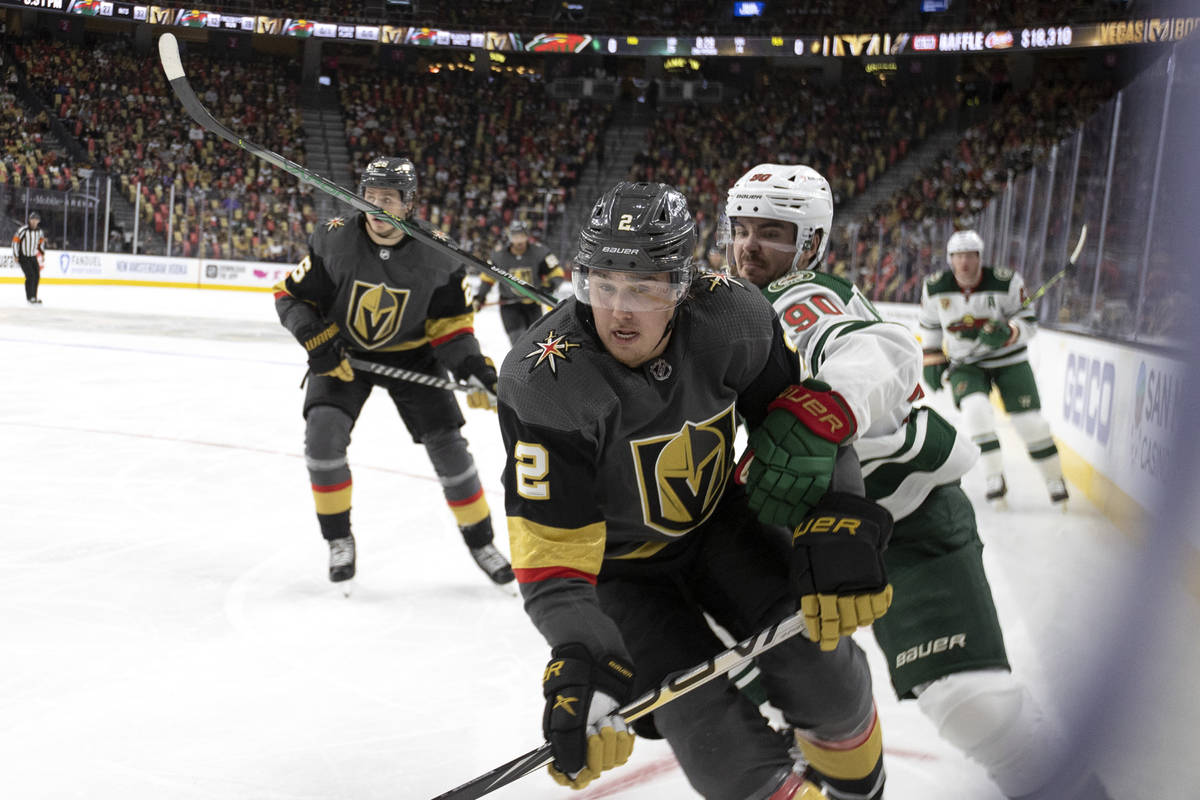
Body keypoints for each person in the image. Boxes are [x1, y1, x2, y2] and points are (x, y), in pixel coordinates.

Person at [498, 181, 894, 800]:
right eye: (604, 286)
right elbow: (553, 561)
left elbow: (801, 427)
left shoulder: (734, 318)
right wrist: (584, 658)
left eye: (646, 287)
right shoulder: (545, 383)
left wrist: (836, 513)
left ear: (683, 285)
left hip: (718, 527)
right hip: (620, 575)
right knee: (715, 744)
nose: (620, 312)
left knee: (829, 679)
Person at [726, 163, 1109, 800]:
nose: (749, 245)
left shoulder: (801, 296)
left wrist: (827, 408)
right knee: (754, 694)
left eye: (772, 231)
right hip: (788, 534)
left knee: (975, 705)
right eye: (741, 228)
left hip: (902, 516)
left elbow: (874, 349)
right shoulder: (732, 307)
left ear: (811, 244)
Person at [274, 156, 514, 587]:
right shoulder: (335, 241)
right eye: (370, 197)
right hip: (344, 354)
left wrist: (473, 367)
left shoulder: (438, 254)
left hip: (413, 356)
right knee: (322, 440)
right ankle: (338, 539)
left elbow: (452, 329)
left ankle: (481, 541)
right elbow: (291, 297)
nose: (377, 208)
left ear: (409, 204)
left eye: (389, 199)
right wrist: (315, 338)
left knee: (451, 452)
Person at [917, 229, 1069, 508]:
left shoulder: (1006, 282)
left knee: (1030, 424)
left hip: (1009, 360)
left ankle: (1054, 479)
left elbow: (1029, 324)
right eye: (958, 256)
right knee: (976, 413)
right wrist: (933, 358)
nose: (964, 263)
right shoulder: (935, 287)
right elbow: (930, 326)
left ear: (979, 257)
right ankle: (994, 477)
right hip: (967, 364)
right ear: (950, 259)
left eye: (969, 256)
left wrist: (1008, 331)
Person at [472, 220, 565, 346]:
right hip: (509, 306)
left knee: (537, 343)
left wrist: (549, 286)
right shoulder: (499, 256)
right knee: (519, 343)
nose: (519, 240)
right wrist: (480, 296)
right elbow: (488, 278)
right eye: (515, 236)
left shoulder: (540, 253)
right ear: (510, 237)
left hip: (533, 304)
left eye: (522, 236)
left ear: (527, 236)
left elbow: (557, 272)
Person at [12, 211, 46, 304]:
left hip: (32, 256)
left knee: (37, 276)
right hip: (23, 257)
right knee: (30, 276)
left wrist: (42, 254)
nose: (34, 221)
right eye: (32, 219)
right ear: (29, 220)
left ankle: (34, 296)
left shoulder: (40, 232)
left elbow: (40, 243)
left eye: (36, 220)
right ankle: (29, 297)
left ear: (38, 221)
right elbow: (15, 242)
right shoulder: (23, 230)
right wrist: (16, 255)